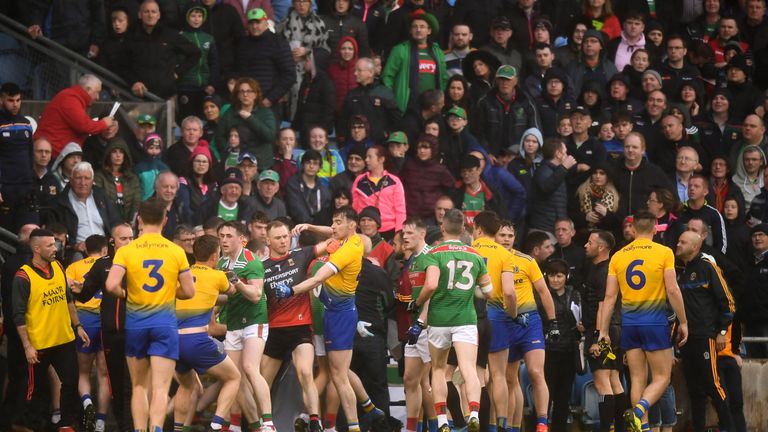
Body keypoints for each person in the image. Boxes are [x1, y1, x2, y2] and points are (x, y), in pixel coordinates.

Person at [275, 207, 381, 432]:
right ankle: (369, 409)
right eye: (332, 222)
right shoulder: (347, 240)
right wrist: (310, 226)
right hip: (333, 313)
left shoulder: (346, 251)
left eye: (337, 223)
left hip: (339, 315)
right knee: (337, 371)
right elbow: (331, 231)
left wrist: (290, 291)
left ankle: (352, 425)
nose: (332, 227)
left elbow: (317, 279)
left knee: (338, 375)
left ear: (352, 226)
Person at [104, 198, 196, 432]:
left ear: (139, 220)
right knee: (160, 388)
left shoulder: (127, 250)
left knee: (138, 387)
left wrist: (127, 293)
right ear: (165, 220)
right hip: (164, 325)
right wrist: (169, 291)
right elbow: (188, 291)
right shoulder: (176, 251)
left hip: (135, 325)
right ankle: (156, 427)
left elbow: (111, 284)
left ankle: (139, 430)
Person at [598, 210, 689, 431]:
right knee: (662, 377)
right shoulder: (664, 252)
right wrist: (683, 321)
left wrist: (603, 330)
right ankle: (638, 412)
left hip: (630, 324)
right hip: (655, 322)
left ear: (634, 228)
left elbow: (609, 297)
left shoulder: (618, 255)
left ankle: (643, 427)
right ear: (656, 227)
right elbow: (672, 289)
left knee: (637, 377)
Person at [411, 208, 492, 432]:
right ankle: (473, 412)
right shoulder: (475, 255)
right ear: (464, 229)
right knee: (469, 369)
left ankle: (442, 421)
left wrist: (417, 304)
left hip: (439, 320)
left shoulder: (434, 253)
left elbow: (431, 285)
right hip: (466, 319)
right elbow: (489, 291)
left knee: (437, 370)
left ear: (443, 227)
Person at [12, 228, 90, 432]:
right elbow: (18, 316)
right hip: (39, 344)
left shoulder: (58, 266)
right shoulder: (23, 276)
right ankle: (28, 424)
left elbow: (68, 299)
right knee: (35, 390)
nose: (55, 248)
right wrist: (27, 346)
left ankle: (65, 424)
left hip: (64, 338)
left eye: (55, 244)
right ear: (36, 248)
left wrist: (78, 325)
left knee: (71, 381)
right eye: (50, 245)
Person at [260, 220, 333, 432]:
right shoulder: (262, 267)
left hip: (300, 327)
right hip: (274, 330)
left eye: (285, 237)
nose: (283, 241)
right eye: (278, 238)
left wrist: (311, 227)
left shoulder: (301, 254)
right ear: (268, 240)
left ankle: (314, 421)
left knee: (305, 372)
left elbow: (337, 237)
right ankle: (262, 423)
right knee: (262, 381)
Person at [174, 235, 242, 432]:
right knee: (233, 377)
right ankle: (217, 423)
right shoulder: (217, 276)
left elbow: (203, 294)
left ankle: (179, 429)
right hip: (197, 340)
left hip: (174, 339)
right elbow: (233, 292)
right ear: (215, 256)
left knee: (187, 387)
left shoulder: (182, 275)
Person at [674, 231, 735, 432]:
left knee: (713, 384)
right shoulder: (680, 270)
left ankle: (727, 427)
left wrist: (723, 332)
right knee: (694, 389)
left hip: (705, 336)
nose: (678, 244)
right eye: (678, 241)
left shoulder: (708, 267)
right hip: (686, 339)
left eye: (683, 242)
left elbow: (728, 302)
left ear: (694, 246)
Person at [216, 221, 269, 432]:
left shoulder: (252, 261)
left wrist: (236, 282)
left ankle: (269, 423)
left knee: (250, 368)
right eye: (221, 236)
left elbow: (256, 296)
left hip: (255, 320)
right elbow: (225, 297)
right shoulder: (221, 263)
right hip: (234, 323)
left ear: (241, 239)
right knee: (233, 376)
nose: (224, 240)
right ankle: (252, 426)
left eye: (229, 236)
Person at [470, 211, 517, 432]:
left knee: (472, 373)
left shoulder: (468, 250)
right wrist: (514, 313)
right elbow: (509, 291)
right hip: (497, 316)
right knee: (499, 375)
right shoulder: (504, 253)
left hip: (469, 316)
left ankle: (474, 421)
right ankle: (502, 424)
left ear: (478, 229)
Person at [583, 230, 628, 432]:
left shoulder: (603, 272)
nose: (585, 245)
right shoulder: (606, 269)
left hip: (604, 331)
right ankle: (620, 428)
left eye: (590, 242)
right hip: (615, 329)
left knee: (602, 384)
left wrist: (599, 336)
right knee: (614, 381)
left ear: (601, 247)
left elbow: (603, 305)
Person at [65, 235, 110, 432]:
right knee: (103, 373)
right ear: (104, 250)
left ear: (85, 249)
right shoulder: (109, 264)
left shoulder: (75, 267)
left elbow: (67, 288)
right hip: (105, 319)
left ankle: (86, 402)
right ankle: (101, 420)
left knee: (83, 371)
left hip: (85, 320)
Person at [400, 217, 437, 432]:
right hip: (416, 327)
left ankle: (438, 426)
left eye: (409, 233)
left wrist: (422, 321)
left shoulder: (429, 256)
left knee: (430, 381)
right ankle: (411, 428)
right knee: (410, 379)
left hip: (429, 327)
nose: (404, 237)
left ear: (422, 234)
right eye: (403, 233)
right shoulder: (413, 259)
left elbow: (433, 291)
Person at [235, 7, 295, 125]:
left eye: (258, 22)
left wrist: (270, 99)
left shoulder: (278, 42)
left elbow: (290, 75)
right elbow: (240, 72)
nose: (254, 26)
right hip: (246, 102)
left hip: (269, 104)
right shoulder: (243, 44)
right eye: (251, 23)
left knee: (269, 140)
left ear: (266, 23)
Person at [542, 259, 583, 432]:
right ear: (546, 276)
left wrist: (582, 325)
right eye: (552, 275)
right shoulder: (542, 295)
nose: (556, 280)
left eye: (559, 275)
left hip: (568, 351)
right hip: (547, 351)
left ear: (567, 276)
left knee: (563, 397)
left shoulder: (575, 294)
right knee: (546, 395)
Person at [382, 9, 448, 114]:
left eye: (422, 27)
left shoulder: (438, 52)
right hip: (407, 108)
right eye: (414, 26)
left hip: (432, 109)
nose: (418, 29)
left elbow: (444, 78)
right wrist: (393, 100)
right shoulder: (399, 50)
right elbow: (387, 77)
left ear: (429, 31)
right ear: (410, 30)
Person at [33, 75, 114, 158]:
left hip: (57, 151)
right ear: (88, 90)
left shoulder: (73, 97)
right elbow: (84, 126)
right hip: (52, 152)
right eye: (97, 92)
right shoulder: (70, 99)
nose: (98, 97)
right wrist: (104, 123)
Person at [472, 65, 541, 156]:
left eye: (508, 79)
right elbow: (478, 132)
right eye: (501, 79)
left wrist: (523, 155)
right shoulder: (484, 101)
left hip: (519, 156)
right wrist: (487, 153)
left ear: (515, 81)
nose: (505, 83)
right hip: (491, 157)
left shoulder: (526, 101)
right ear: (496, 81)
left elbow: (535, 131)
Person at [0, 82, 36, 233]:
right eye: (10, 100)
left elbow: (29, 154)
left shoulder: (26, 123)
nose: (15, 104)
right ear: (1, 100)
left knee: (27, 233)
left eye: (18, 100)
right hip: (5, 188)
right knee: (6, 233)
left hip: (25, 187)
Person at [351, 145, 407, 238]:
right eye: (366, 157)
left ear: (381, 159)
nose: (366, 160)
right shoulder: (359, 180)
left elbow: (400, 210)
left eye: (370, 157)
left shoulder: (394, 181)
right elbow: (354, 208)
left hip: (389, 231)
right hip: (364, 230)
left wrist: (399, 232)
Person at [528, 137, 577, 232]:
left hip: (553, 228)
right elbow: (547, 187)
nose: (567, 155)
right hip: (543, 228)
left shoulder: (557, 171)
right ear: (558, 154)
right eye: (565, 152)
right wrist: (564, 167)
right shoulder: (543, 170)